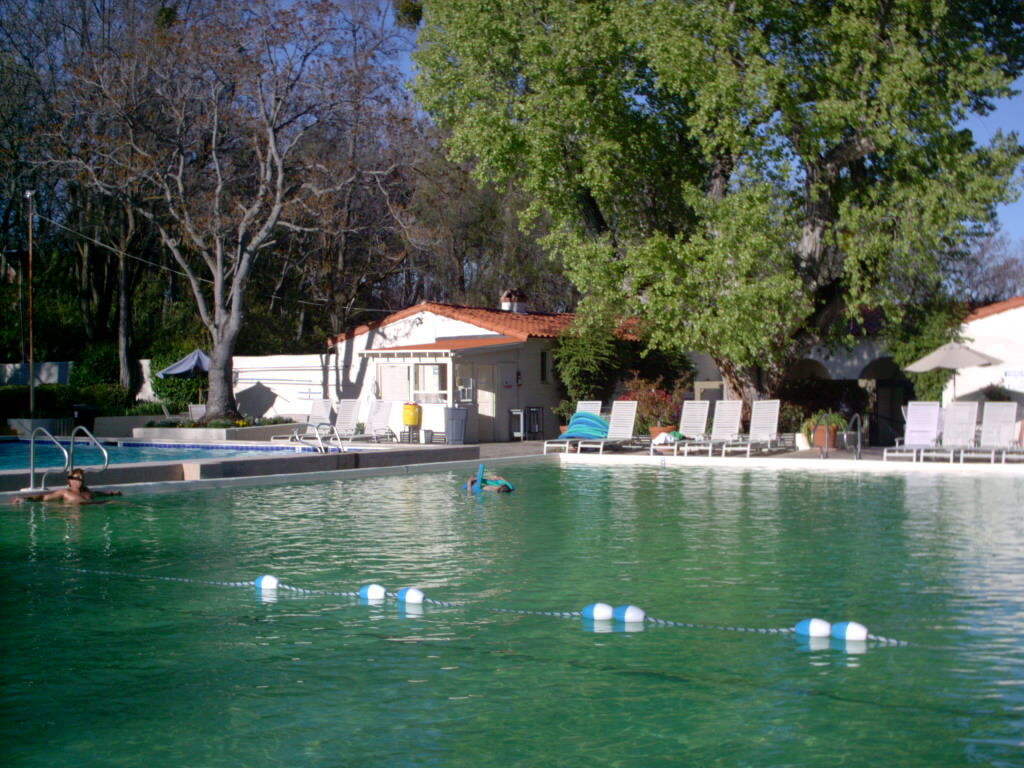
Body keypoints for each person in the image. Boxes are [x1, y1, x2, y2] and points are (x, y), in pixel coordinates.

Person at [11, 468, 122, 504]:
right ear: (70, 481)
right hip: (75, 514)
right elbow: (44, 497)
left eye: (82, 477)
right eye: (77, 478)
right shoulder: (65, 492)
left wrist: (112, 493)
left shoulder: (86, 490)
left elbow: (97, 494)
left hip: (94, 508)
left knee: (118, 503)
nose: (80, 480)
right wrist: (25, 498)